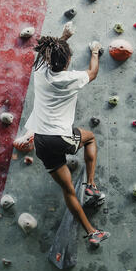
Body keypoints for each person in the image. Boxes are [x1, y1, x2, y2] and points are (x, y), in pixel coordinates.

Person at [24, 23, 110, 247]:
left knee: (68, 189)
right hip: (59, 137)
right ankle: (90, 184)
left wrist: (64, 36)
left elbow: (45, 52)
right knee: (90, 138)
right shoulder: (70, 78)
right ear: (68, 61)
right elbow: (93, 72)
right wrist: (94, 51)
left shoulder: (40, 72)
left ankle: (92, 232)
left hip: (41, 140)